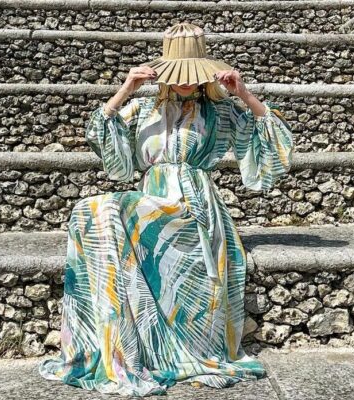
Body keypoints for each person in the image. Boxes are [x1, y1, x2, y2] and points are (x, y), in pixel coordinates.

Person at [38, 22, 294, 396]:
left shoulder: (221, 111)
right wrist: (126, 88)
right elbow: (105, 141)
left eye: (193, 76)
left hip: (196, 205)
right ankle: (120, 338)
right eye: (179, 76)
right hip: (151, 200)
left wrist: (244, 94)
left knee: (105, 209)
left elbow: (271, 142)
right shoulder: (141, 107)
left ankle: (185, 345)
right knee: (92, 212)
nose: (186, 83)